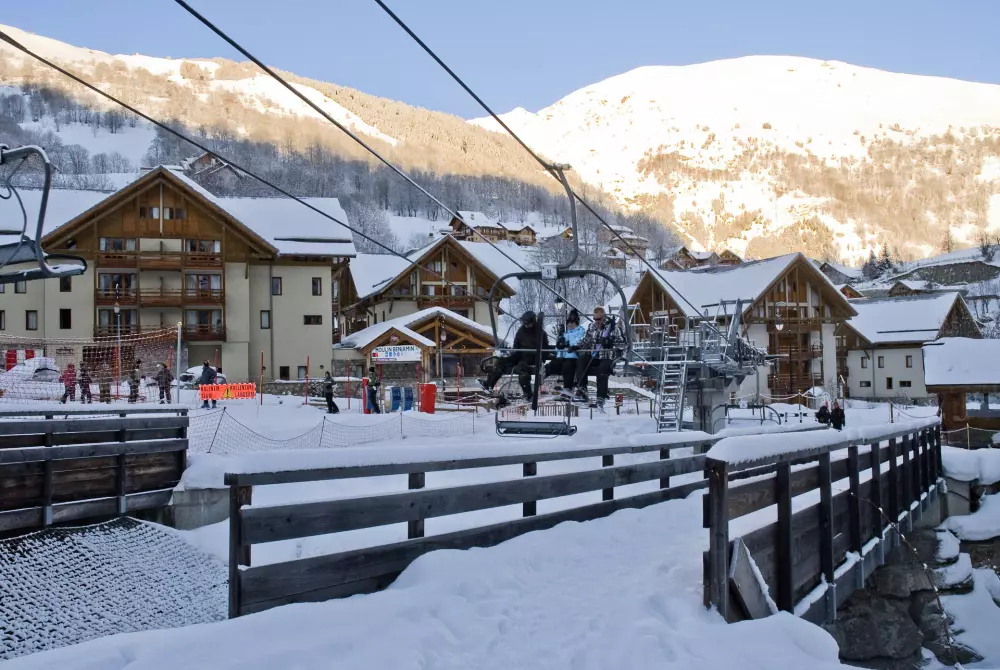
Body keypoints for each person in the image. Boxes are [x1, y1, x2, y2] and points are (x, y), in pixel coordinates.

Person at [478, 310, 550, 399]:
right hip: (520, 355)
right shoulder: (521, 331)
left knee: (522, 367)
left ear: (533, 322)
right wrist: (511, 353)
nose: (526, 325)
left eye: (528, 324)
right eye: (524, 323)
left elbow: (545, 351)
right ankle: (489, 384)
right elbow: (516, 345)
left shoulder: (540, 333)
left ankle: (528, 393)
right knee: (501, 361)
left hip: (533, 359)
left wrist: (539, 357)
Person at [574, 306, 623, 406]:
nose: (597, 321)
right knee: (581, 360)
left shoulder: (613, 328)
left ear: (604, 317)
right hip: (594, 355)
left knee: (602, 368)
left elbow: (623, 345)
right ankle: (582, 389)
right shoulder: (592, 327)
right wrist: (577, 346)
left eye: (599, 319)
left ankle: (601, 396)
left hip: (607, 357)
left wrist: (610, 342)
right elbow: (586, 340)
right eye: (595, 319)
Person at [548, 309, 586, 398]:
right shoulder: (565, 334)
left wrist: (568, 345)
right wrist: (559, 345)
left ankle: (567, 388)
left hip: (574, 357)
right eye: (568, 322)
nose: (569, 324)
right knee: (553, 364)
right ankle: (542, 377)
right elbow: (558, 348)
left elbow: (580, 342)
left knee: (567, 365)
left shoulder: (581, 332)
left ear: (576, 323)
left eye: (572, 322)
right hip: (563, 356)